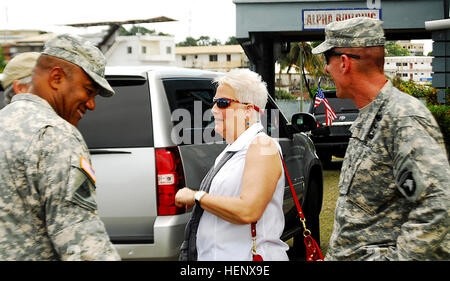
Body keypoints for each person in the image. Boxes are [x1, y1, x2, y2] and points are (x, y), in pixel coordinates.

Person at [312, 17, 450, 260]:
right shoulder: (371, 116)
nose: (326, 68)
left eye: (327, 59)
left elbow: (438, 206)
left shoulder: (403, 118)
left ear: (344, 63)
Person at [0, 34, 121, 261]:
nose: (92, 105)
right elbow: (82, 240)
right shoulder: (56, 135)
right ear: (56, 78)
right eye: (88, 90)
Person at [175, 68, 289, 261]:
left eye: (223, 103)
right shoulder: (235, 149)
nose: (213, 110)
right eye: (215, 103)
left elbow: (248, 210)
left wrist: (197, 197)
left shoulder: (262, 146)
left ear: (248, 111)